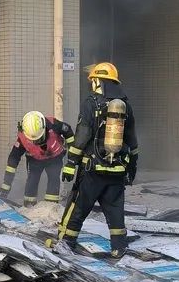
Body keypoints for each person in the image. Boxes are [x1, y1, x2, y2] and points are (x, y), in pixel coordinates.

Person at [54, 62, 137, 257]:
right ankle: (119, 247)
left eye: (93, 80)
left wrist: (71, 164)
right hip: (117, 170)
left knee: (78, 207)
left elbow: (82, 135)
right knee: (115, 211)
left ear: (98, 81)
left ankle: (67, 243)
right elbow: (132, 140)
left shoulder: (91, 102)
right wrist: (132, 169)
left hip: (93, 170)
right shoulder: (125, 106)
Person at [0, 110, 74, 206]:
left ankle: (51, 206)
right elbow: (13, 160)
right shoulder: (23, 138)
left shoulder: (53, 124)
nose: (38, 142)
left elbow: (69, 133)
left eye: (40, 138)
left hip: (55, 157)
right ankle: (29, 206)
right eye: (34, 140)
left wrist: (72, 160)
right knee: (32, 180)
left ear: (44, 127)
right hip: (34, 159)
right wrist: (6, 185)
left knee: (54, 178)